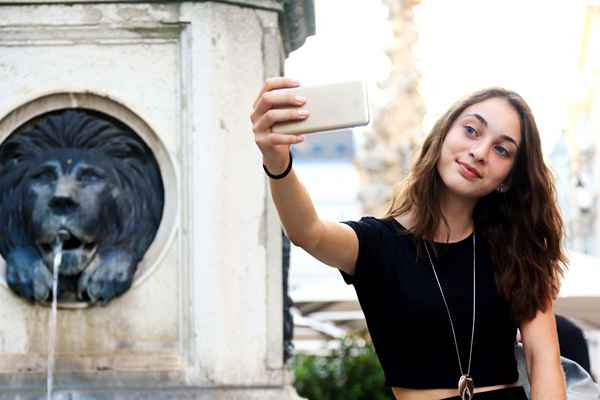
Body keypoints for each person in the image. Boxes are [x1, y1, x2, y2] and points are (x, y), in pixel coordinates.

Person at [251, 77, 567, 400]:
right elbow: (308, 232)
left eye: (502, 149)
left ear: (508, 178)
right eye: (471, 130)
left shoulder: (518, 249)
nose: (480, 152)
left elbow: (543, 361)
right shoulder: (379, 243)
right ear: (443, 134)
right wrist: (277, 162)